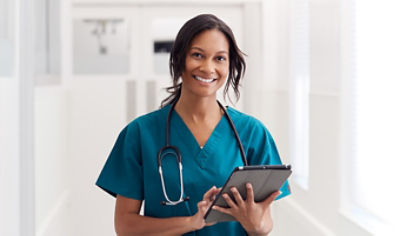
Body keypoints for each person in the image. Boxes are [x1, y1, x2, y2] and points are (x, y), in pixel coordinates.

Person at [96, 14, 290, 236]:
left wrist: (256, 224)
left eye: (219, 58)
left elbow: (264, 225)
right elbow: (125, 227)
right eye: (198, 55)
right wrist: (192, 222)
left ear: (230, 64)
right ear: (179, 59)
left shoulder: (253, 134)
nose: (208, 68)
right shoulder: (140, 134)